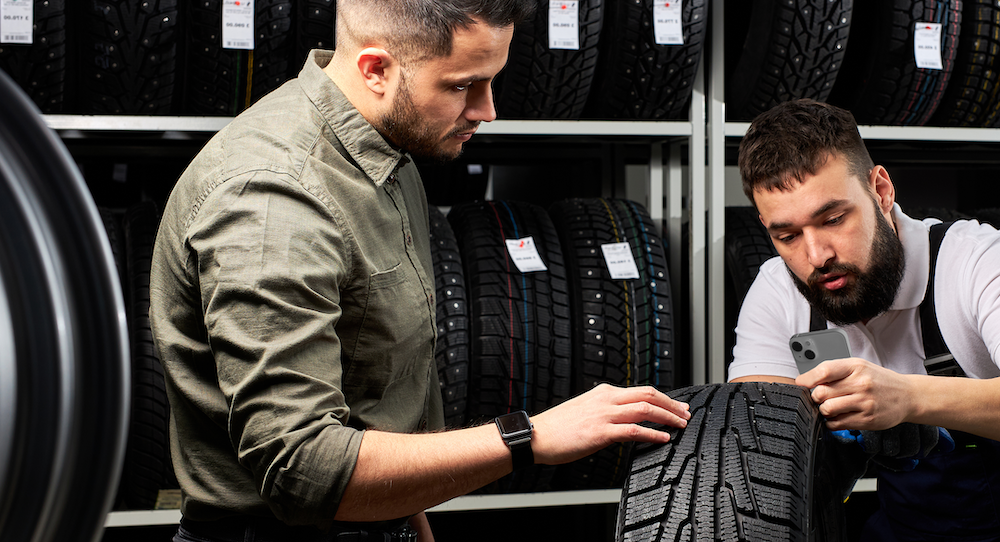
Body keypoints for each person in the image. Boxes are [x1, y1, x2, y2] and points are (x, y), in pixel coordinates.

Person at [149, 1, 692, 541]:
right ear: (376, 69)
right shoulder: (274, 203)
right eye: (462, 86)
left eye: (491, 81)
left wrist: (412, 525)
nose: (488, 110)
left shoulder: (388, 149)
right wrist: (530, 436)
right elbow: (303, 470)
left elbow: (377, 396)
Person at [730, 98, 1000, 541]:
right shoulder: (778, 289)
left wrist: (910, 397)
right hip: (905, 527)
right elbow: (755, 431)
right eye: (787, 235)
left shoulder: (975, 261)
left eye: (834, 219)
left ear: (881, 190)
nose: (816, 257)